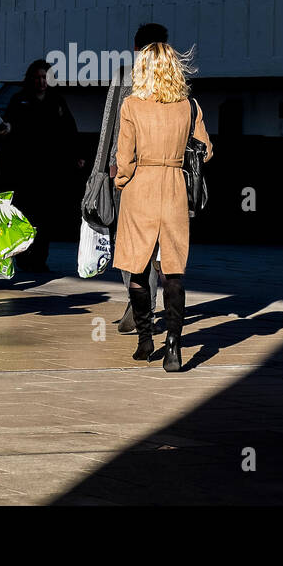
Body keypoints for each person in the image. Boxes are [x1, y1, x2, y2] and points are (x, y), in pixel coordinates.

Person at [113, 42, 213, 372]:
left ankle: (145, 340)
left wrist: (120, 182)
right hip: (173, 189)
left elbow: (124, 159)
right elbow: (206, 150)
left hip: (140, 186)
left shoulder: (131, 105)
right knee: (172, 270)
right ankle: (174, 345)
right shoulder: (189, 105)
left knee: (137, 267)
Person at [100, 23, 169, 335]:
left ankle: (142, 304)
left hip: (134, 173)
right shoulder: (131, 76)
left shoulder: (169, 82)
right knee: (135, 243)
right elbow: (110, 122)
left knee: (138, 242)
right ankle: (139, 301)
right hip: (132, 172)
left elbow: (107, 126)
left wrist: (105, 165)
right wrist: (102, 169)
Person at [2, 59, 86, 272]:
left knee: (46, 217)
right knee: (26, 214)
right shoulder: (19, 100)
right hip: (25, 170)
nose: (41, 82)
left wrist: (77, 155)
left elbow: (70, 130)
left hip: (50, 170)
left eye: (44, 78)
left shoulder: (56, 102)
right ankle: (23, 255)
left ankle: (40, 258)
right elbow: (8, 131)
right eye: (37, 78)